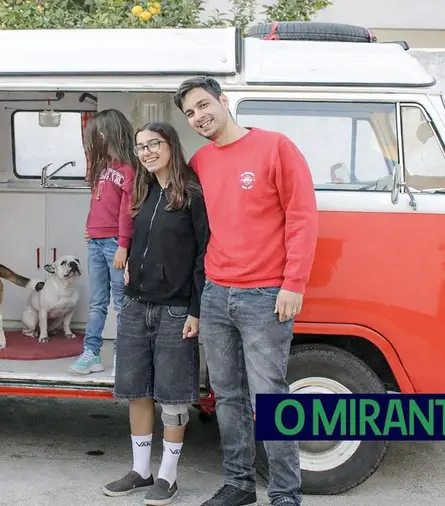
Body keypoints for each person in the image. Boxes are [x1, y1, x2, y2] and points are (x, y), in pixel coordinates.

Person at [174, 76, 318, 506]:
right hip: (217, 294)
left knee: (270, 396)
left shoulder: (276, 147)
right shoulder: (199, 161)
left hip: (265, 296)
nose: (199, 116)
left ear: (223, 100)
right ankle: (239, 484)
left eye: (203, 105)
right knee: (227, 396)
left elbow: (303, 217)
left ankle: (285, 494)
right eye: (190, 113)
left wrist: (294, 283)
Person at [102, 122, 209, 506]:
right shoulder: (141, 190)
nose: (146, 152)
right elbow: (138, 240)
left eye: (154, 144)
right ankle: (141, 469)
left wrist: (196, 310)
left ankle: (168, 475)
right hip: (135, 304)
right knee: (137, 391)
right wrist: (129, 259)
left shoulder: (192, 193)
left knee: (174, 397)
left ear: (171, 146)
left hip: (176, 308)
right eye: (141, 146)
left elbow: (202, 257)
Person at [71, 108, 139, 375]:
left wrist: (123, 245)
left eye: (93, 137)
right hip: (97, 241)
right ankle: (92, 353)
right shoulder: (101, 166)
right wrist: (91, 228)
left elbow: (128, 211)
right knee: (97, 301)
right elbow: (97, 202)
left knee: (121, 301)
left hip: (114, 244)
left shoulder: (128, 170)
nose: (90, 143)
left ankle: (124, 355)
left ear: (105, 134)